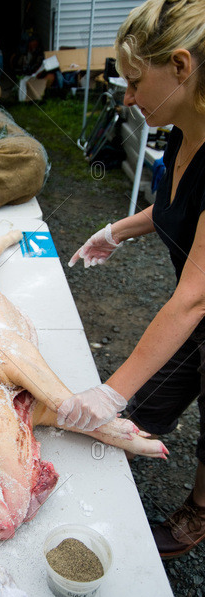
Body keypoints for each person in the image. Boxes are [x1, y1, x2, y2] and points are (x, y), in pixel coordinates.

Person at [57, 0, 205, 559]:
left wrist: (108, 390)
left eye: (136, 81)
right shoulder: (182, 126)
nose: (129, 97)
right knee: (150, 403)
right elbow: (177, 206)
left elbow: (191, 299)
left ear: (182, 66)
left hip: (200, 299)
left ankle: (197, 513)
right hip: (197, 302)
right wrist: (117, 230)